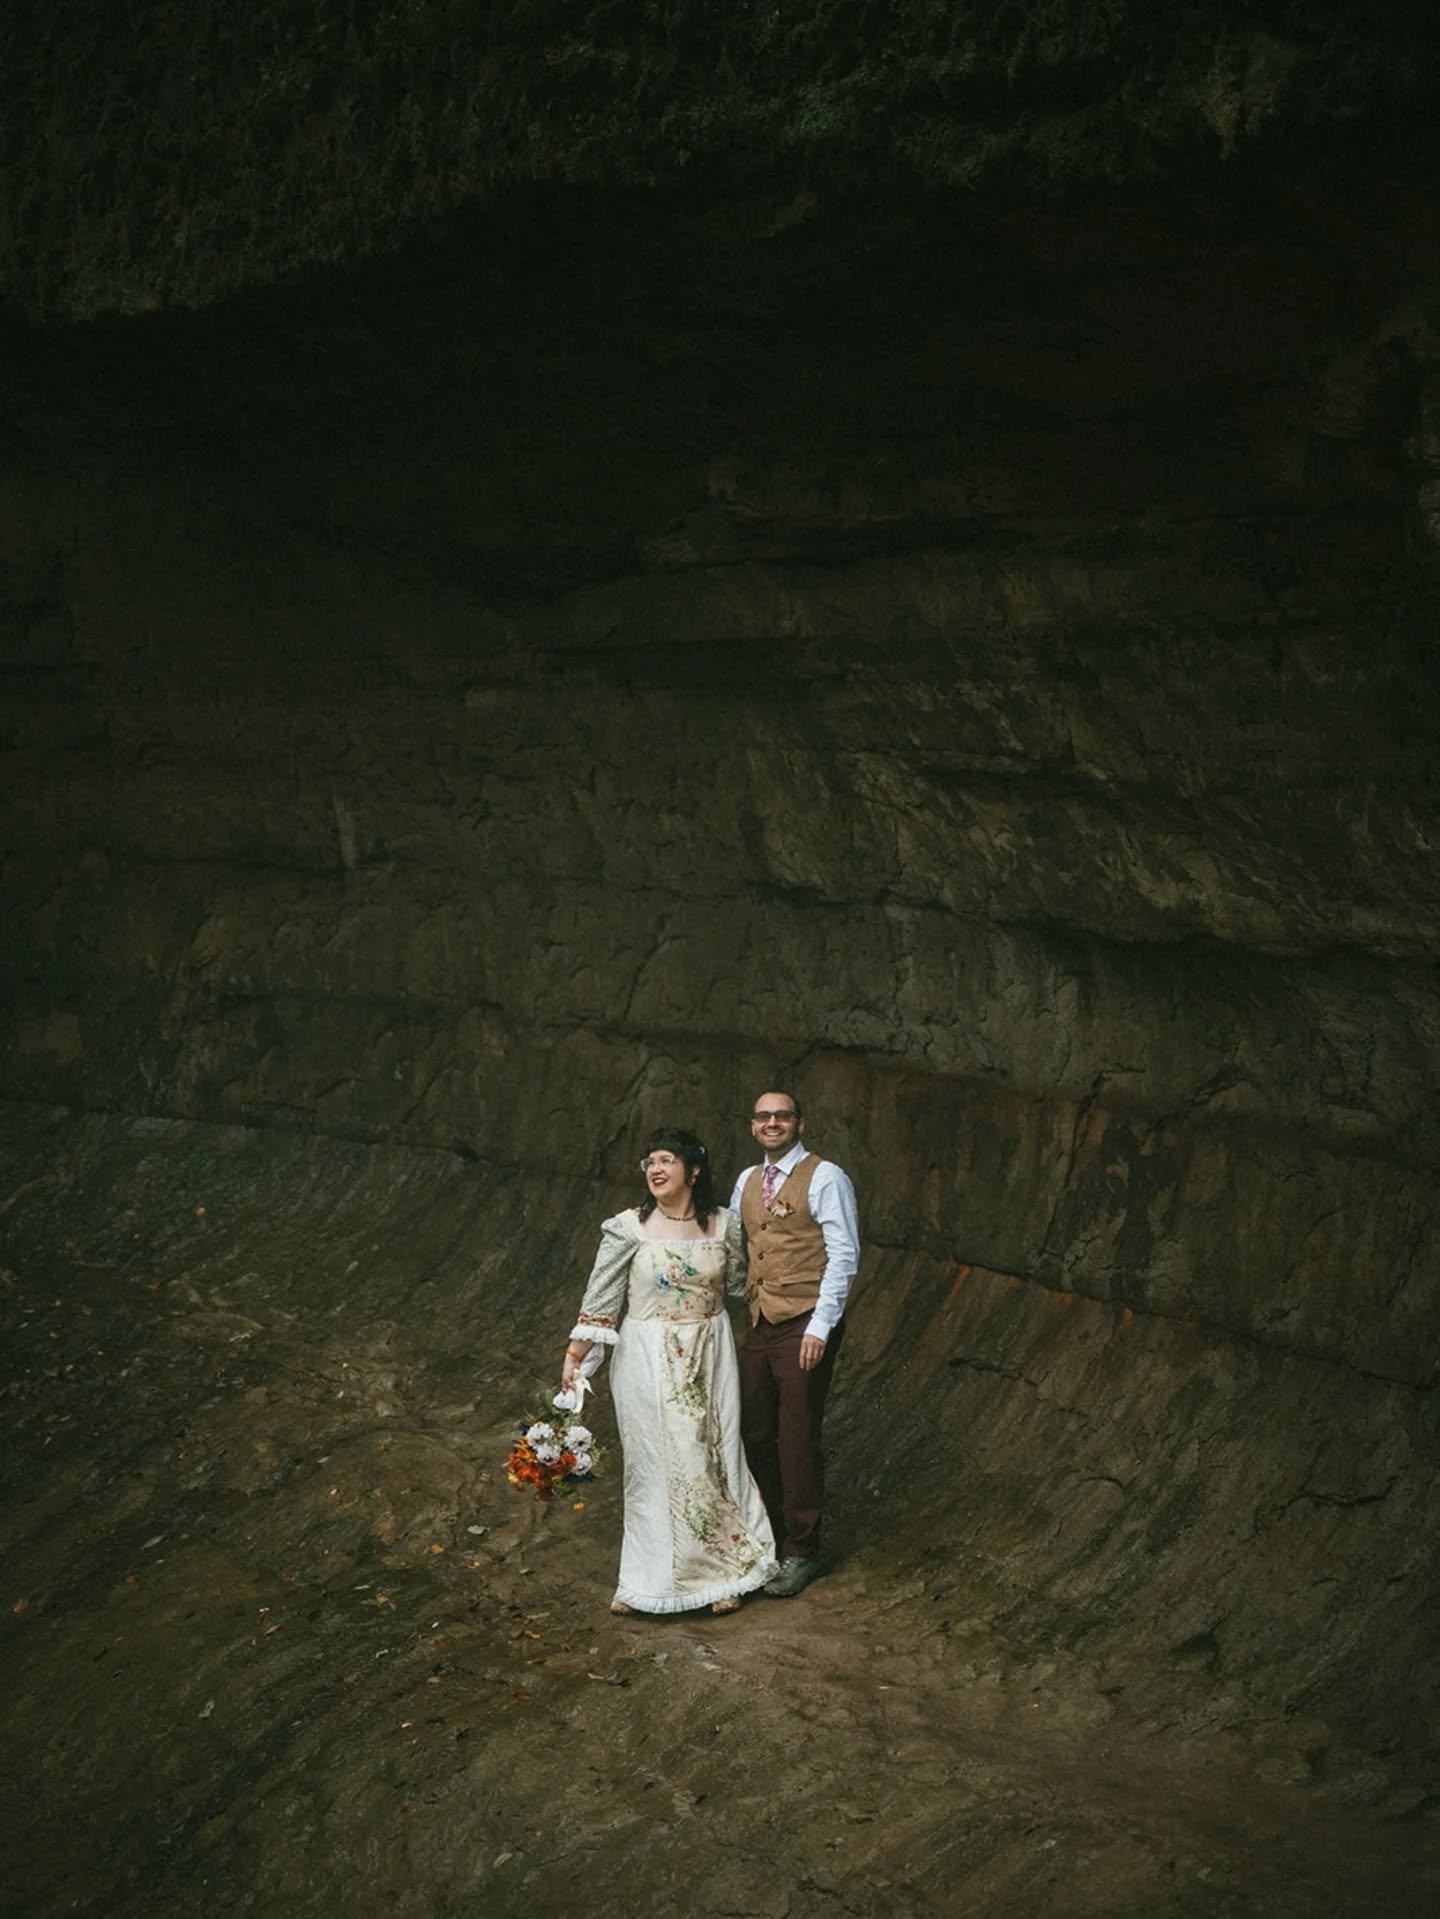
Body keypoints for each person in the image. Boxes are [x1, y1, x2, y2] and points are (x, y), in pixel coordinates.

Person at [561, 1126, 778, 1616]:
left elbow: (744, 1283)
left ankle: (727, 1574)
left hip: (710, 1350)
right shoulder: (629, 1228)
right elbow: (600, 1300)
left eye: (666, 1160)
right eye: (649, 1162)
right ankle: (645, 1583)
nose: (655, 1170)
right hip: (647, 1355)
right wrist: (576, 1357)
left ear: (694, 1170)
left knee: (711, 1458)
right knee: (654, 1465)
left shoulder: (725, 1226)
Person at [730, 1092, 859, 1598]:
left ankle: (803, 1550)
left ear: (799, 1122)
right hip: (761, 1320)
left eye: (781, 1115)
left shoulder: (826, 1177)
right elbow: (735, 1245)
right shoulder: (746, 1181)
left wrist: (820, 1327)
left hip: (804, 1320)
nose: (772, 1123)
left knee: (798, 1433)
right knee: (755, 1429)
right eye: (763, 1115)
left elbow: (844, 1254)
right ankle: (774, 1534)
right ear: (753, 1125)